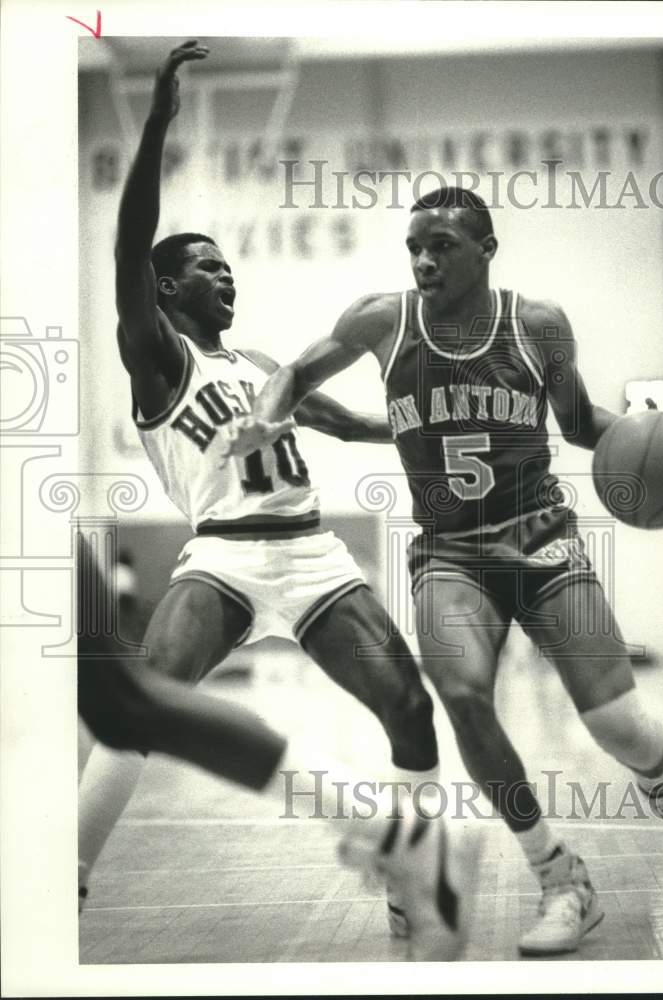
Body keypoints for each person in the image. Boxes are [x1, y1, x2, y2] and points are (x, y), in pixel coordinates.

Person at [225, 185, 663, 956]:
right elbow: (292, 374)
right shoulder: (379, 319)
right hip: (451, 552)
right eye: (415, 247)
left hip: (542, 536)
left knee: (618, 725)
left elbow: (578, 423)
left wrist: (662, 437)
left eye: (444, 246)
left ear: (486, 250)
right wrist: (265, 416)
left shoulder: (538, 325)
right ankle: (562, 877)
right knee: (461, 696)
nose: (425, 260)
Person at [78, 40, 443, 946]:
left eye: (228, 266)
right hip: (224, 555)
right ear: (164, 290)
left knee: (408, 706)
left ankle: (412, 871)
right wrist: (159, 117)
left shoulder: (264, 366)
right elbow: (129, 242)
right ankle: (69, 872)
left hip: (314, 553)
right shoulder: (159, 355)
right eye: (206, 266)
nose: (226, 273)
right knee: (145, 702)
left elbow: (355, 427)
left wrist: (433, 432)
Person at [76, 531, 471, 962]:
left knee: (409, 705)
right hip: (220, 552)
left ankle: (410, 851)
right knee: (125, 708)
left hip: (305, 547)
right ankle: (408, 837)